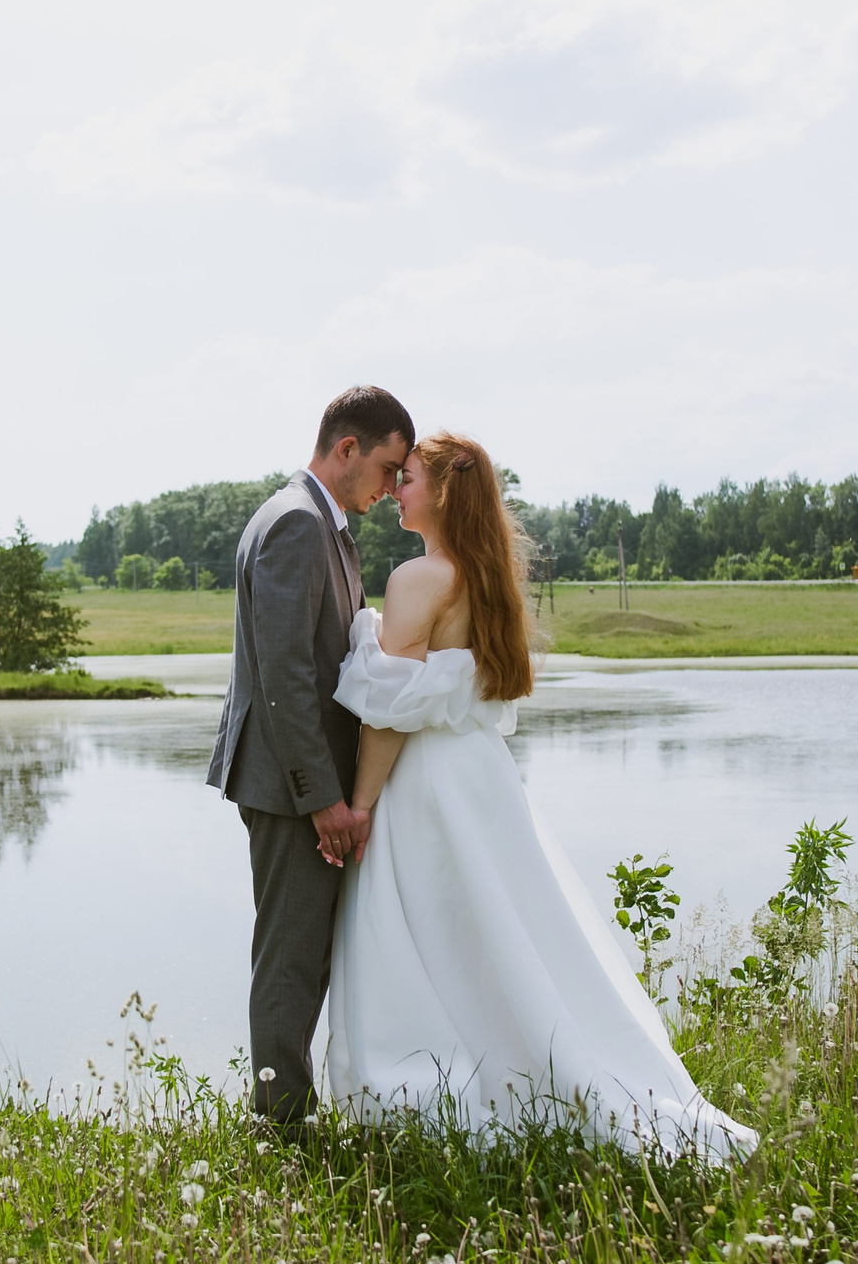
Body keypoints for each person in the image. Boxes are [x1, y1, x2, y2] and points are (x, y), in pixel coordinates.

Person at [325, 431, 758, 1159]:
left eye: (409, 478)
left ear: (440, 492)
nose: (397, 487)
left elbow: (390, 713)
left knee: (428, 933)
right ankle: (540, 1066)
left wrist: (362, 804)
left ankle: (439, 1077)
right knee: (503, 927)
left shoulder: (418, 579)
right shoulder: (484, 575)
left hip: (428, 781)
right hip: (484, 776)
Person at [207, 385, 413, 1125]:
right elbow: (286, 675)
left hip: (295, 780)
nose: (392, 489)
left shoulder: (318, 522)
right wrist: (324, 796)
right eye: (388, 469)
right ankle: (280, 1126)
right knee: (291, 957)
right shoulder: (296, 524)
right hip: (289, 785)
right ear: (347, 447)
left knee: (299, 952)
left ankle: (285, 1111)